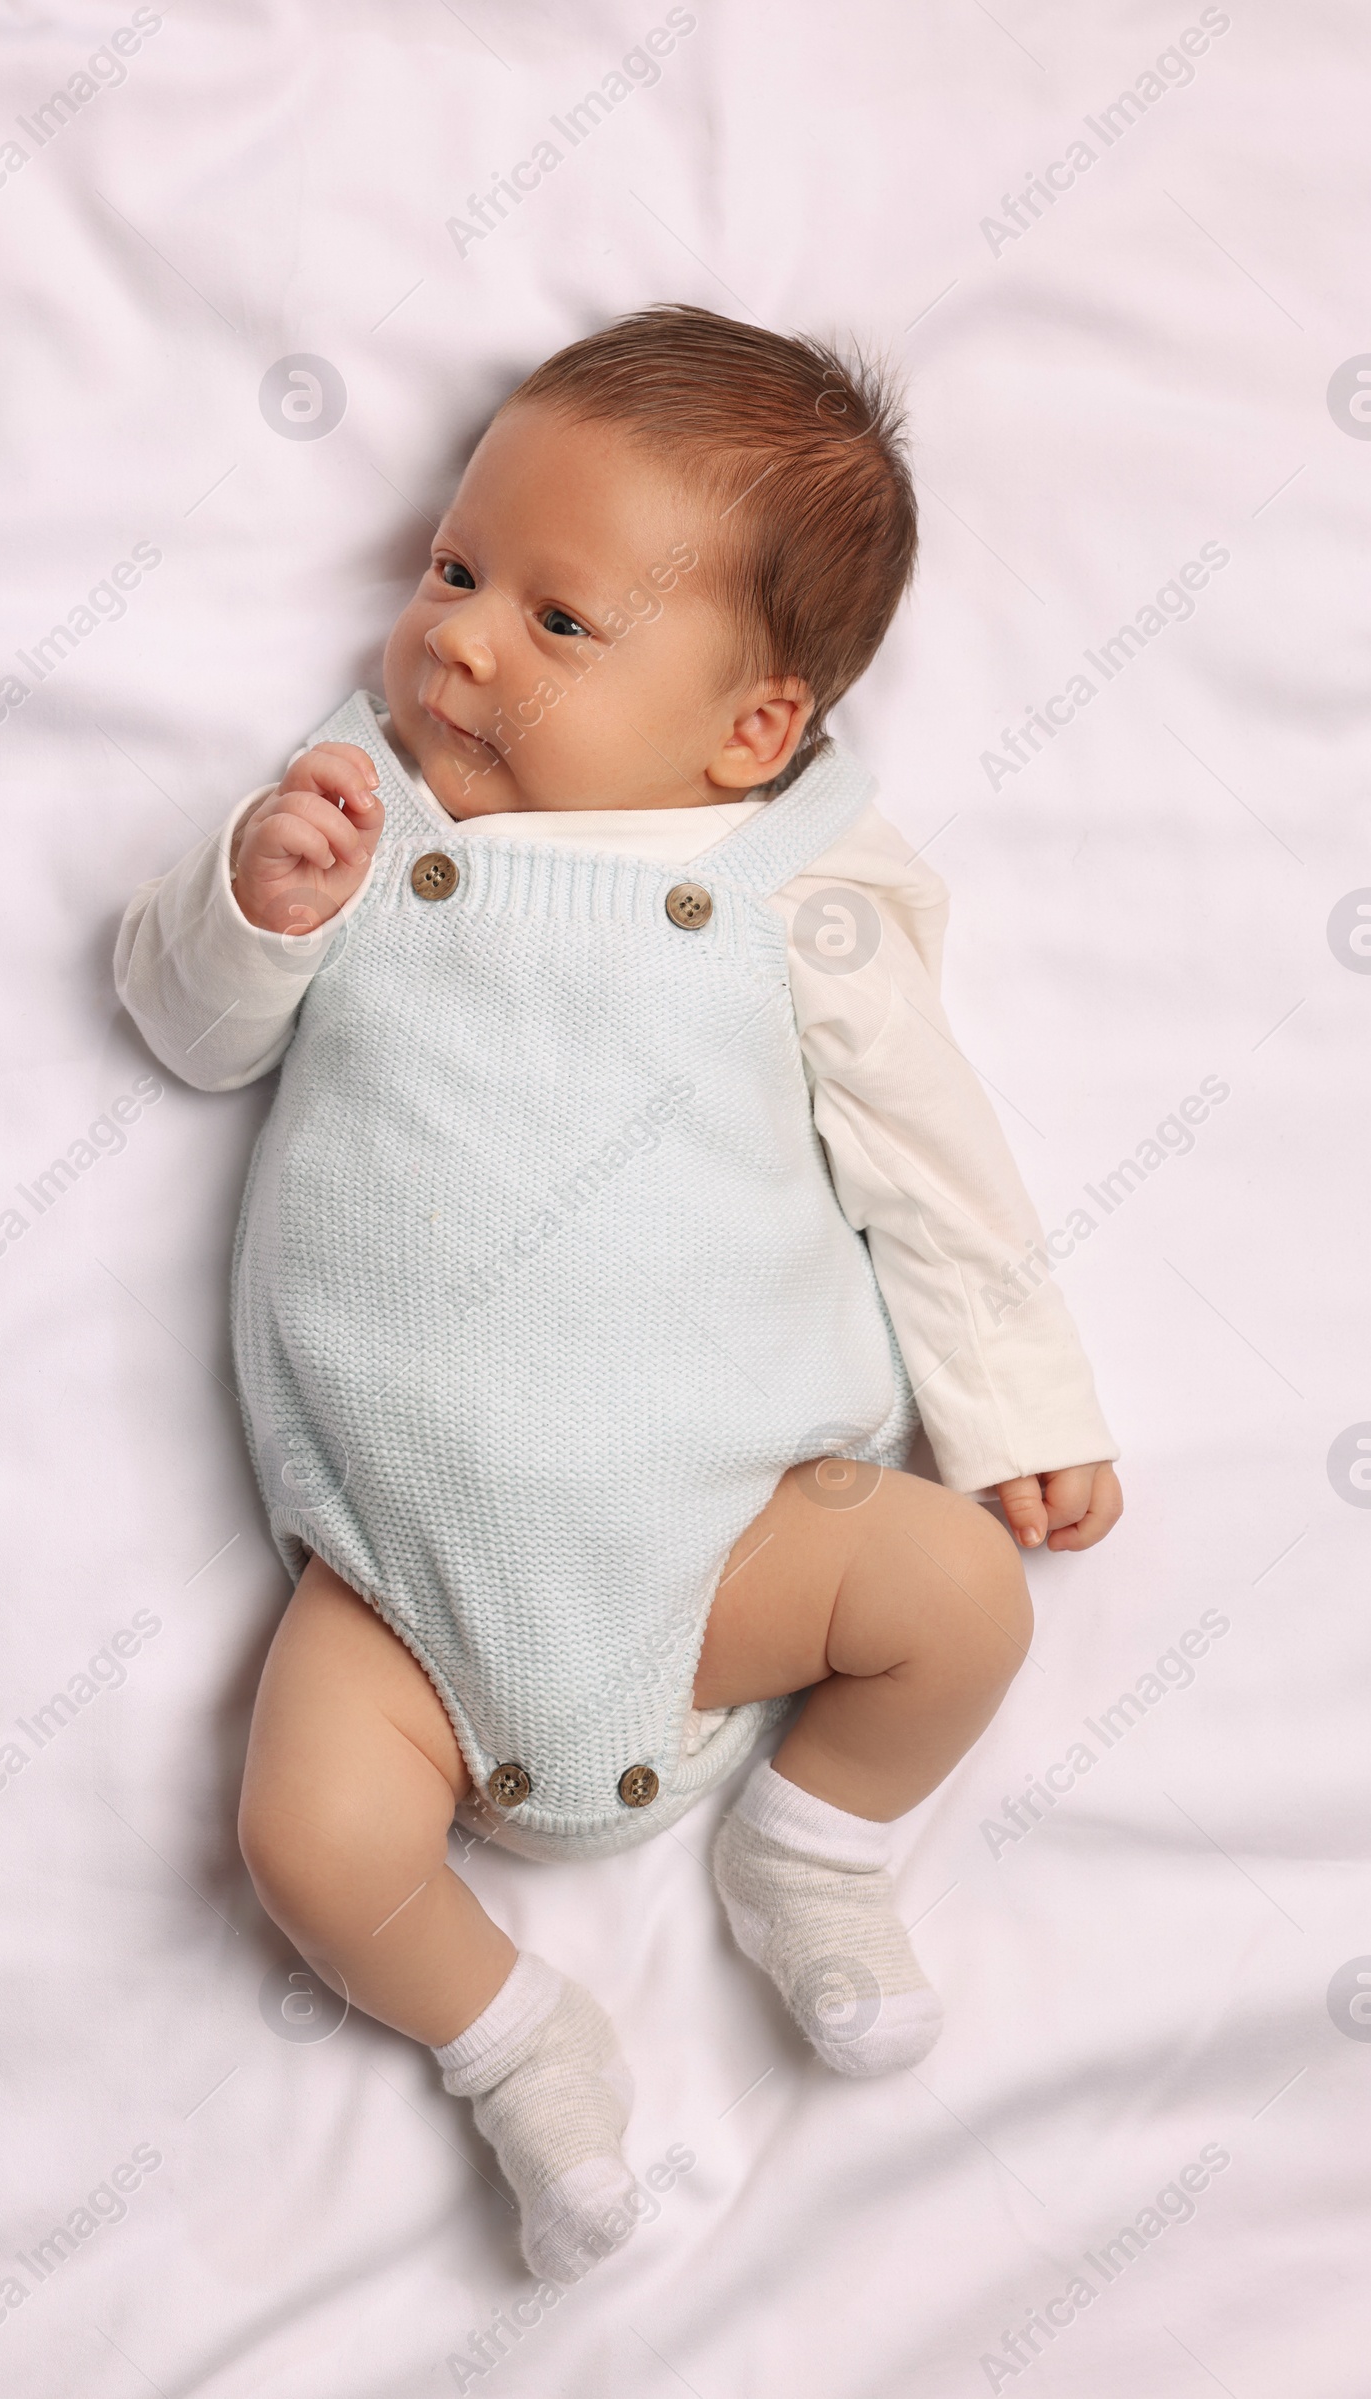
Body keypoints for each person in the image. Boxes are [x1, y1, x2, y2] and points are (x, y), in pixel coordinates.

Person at [115, 303, 1122, 2283]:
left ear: (749, 727)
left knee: (951, 1596)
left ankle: (810, 1857)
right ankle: (513, 2049)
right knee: (307, 1842)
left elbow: (928, 1170)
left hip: (738, 1527)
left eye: (560, 625)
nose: (464, 640)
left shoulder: (791, 893)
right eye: (454, 571)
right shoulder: (354, 805)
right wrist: (251, 909)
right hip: (398, 1562)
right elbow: (184, 1033)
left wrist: (1020, 1407)